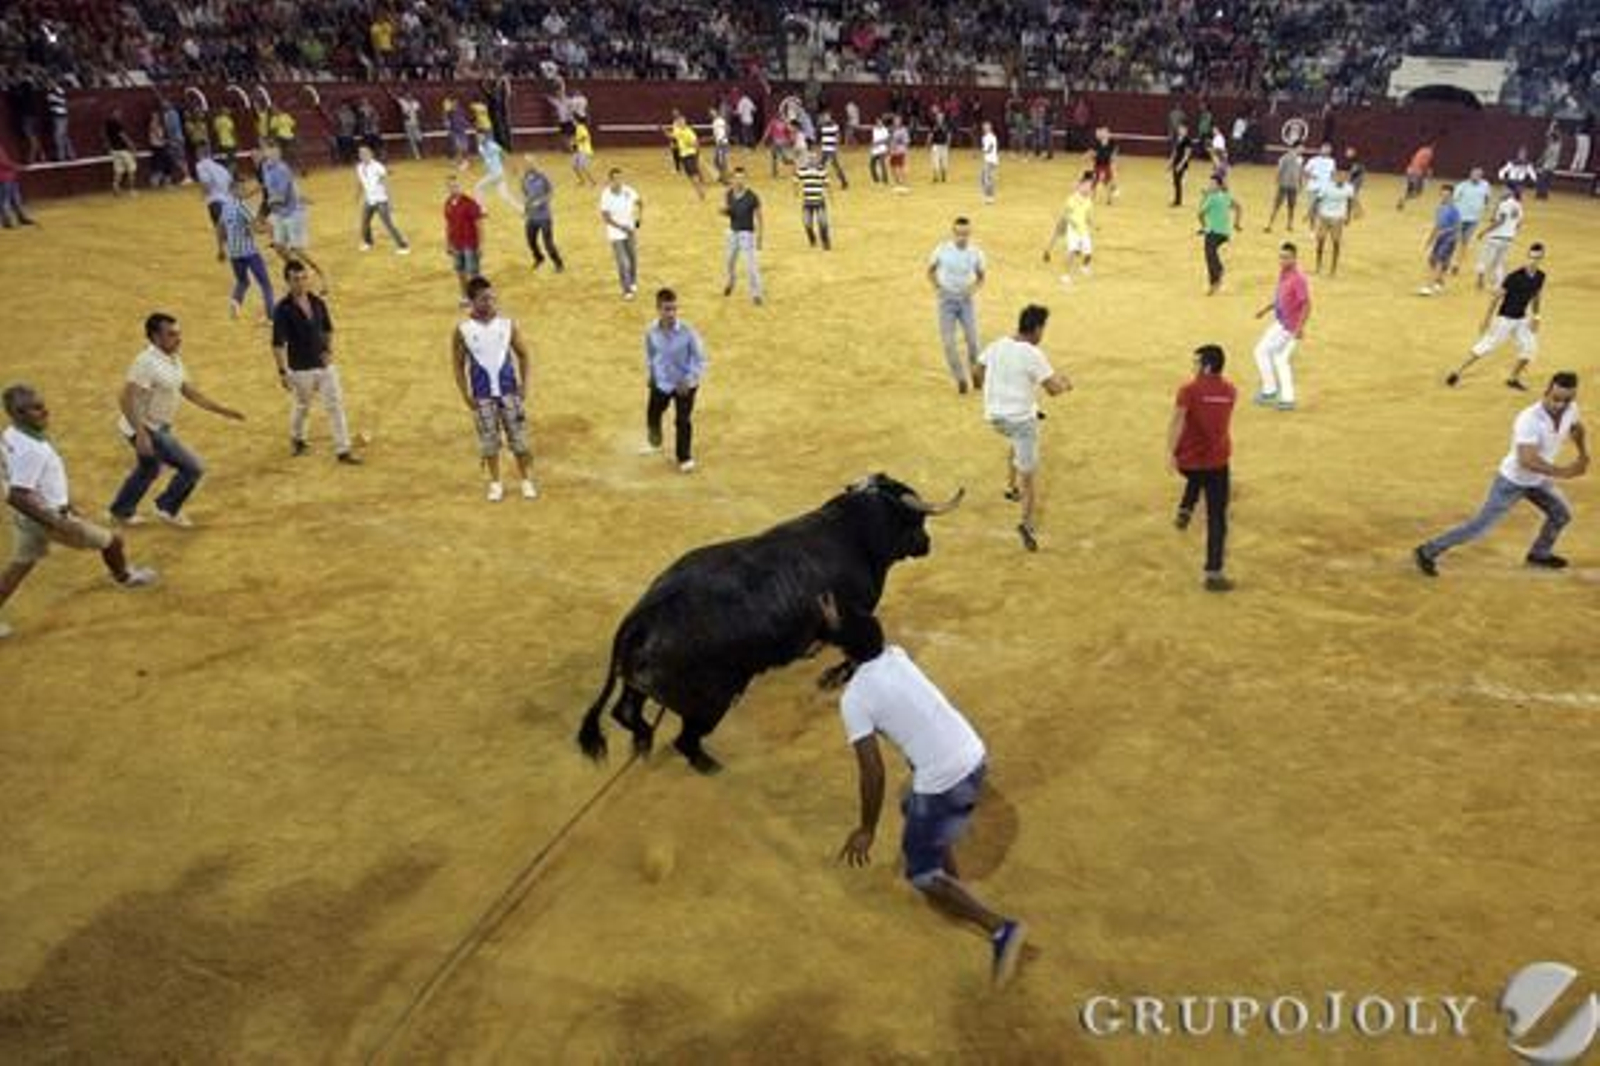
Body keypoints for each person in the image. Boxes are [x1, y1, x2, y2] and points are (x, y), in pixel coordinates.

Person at [816, 595, 1027, 990]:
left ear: (843, 651)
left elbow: (873, 772)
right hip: (974, 755)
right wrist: (839, 625)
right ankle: (951, 878)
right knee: (910, 805)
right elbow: (863, 637)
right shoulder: (896, 655)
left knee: (921, 873)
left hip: (946, 781)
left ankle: (1001, 929)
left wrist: (866, 829)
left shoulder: (855, 699)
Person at [0, 385, 158, 638]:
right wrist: (57, 520)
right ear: (19, 413)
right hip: (47, 518)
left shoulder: (12, 434)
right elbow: (17, 495)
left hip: (28, 519)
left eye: (42, 404)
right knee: (112, 541)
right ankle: (124, 576)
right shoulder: (32, 450)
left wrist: (65, 503)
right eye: (37, 408)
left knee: (19, 567)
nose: (45, 411)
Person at [1414, 372, 1587, 576]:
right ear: (1546, 392)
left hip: (1537, 480)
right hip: (1512, 482)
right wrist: (1564, 472)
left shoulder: (1571, 409)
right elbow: (1527, 459)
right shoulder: (1529, 419)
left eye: (1566, 400)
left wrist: (1583, 453)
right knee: (1478, 527)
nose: (1560, 405)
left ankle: (1539, 554)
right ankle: (1427, 550)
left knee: (1561, 514)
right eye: (1555, 398)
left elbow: (1576, 428)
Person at [108, 312, 246, 528]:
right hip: (147, 429)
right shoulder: (146, 363)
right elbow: (125, 398)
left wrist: (222, 410)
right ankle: (166, 508)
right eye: (172, 334)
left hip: (157, 427)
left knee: (149, 469)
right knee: (193, 468)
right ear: (155, 337)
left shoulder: (172, 358)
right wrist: (142, 435)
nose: (179, 338)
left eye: (178, 333)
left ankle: (121, 510)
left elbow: (188, 390)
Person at [975, 304, 1071, 551]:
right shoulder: (1033, 354)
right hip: (1019, 421)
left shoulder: (997, 345)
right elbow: (1053, 390)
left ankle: (1010, 488)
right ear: (1037, 328)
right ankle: (1026, 524)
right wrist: (1066, 384)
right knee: (1029, 476)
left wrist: (995, 391)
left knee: (1017, 435)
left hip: (995, 417)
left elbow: (977, 371)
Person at [452, 276, 537, 502]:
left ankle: (526, 480)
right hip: (482, 397)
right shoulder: (463, 331)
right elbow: (458, 365)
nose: (490, 302)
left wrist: (524, 386)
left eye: (492, 297)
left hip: (509, 393)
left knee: (519, 440)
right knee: (489, 443)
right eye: (484, 299)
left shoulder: (507, 324)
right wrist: (464, 394)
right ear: (472, 301)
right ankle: (496, 483)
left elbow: (524, 355)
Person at [271, 261, 360, 464]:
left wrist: (328, 349)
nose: (301, 283)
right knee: (302, 406)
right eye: (296, 279)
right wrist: (282, 372)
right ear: (287, 282)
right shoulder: (282, 310)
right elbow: (277, 343)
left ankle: (343, 450)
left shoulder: (318, 302)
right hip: (300, 369)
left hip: (324, 366)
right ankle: (298, 438)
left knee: (335, 405)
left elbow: (328, 329)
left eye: (304, 278)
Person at [1167, 345, 1237, 591]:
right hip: (1217, 461)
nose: (1193, 367)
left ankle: (1185, 509)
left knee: (1197, 475)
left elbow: (1177, 421)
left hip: (1190, 463)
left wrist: (1170, 453)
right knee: (1217, 517)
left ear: (1207, 366)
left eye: (1196, 363)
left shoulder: (1188, 390)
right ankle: (1214, 573)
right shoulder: (1230, 391)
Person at [1445, 243, 1546, 391]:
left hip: (1521, 320)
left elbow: (1536, 296)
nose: (1533, 261)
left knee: (1530, 348)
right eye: (1531, 257)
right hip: (1504, 319)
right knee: (1487, 345)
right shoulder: (1514, 277)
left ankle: (1513, 378)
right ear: (1527, 257)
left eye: (1537, 258)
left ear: (1541, 258)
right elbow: (1496, 298)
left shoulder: (1540, 276)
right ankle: (1457, 371)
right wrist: (1486, 319)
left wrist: (1536, 317)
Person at [641, 288, 707, 473]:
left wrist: (688, 379)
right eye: (666, 309)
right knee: (653, 414)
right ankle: (655, 443)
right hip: (661, 382)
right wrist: (652, 374)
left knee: (682, 420)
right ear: (658, 309)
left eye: (673, 309)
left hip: (685, 386)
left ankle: (684, 457)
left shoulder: (688, 331)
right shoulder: (650, 331)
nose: (671, 313)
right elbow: (650, 354)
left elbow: (700, 358)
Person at [927, 217, 987, 393]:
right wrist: (938, 288)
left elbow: (981, 277)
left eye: (966, 234)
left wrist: (973, 290)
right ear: (953, 233)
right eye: (959, 234)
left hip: (966, 301)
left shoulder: (976, 253)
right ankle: (960, 378)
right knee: (948, 343)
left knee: (973, 342)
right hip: (946, 301)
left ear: (969, 234)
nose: (962, 238)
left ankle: (976, 375)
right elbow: (930, 272)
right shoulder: (942, 250)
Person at [1251, 242, 1312, 411]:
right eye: (1281, 257)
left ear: (1294, 258)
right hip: (1281, 322)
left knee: (1278, 359)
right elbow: (1280, 298)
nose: (1282, 260)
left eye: (1286, 257)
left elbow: (1307, 305)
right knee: (1264, 352)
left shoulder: (1299, 278)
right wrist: (1265, 309)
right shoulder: (1284, 273)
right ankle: (1272, 391)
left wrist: (1299, 328)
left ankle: (1284, 397)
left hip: (1289, 326)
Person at [216, 177, 275, 322]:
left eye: (244, 188)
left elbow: (220, 229)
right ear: (233, 190)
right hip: (249, 252)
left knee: (242, 281)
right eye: (241, 189)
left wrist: (221, 249)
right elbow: (256, 227)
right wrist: (270, 228)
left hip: (234, 253)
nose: (243, 191)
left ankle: (235, 302)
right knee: (266, 284)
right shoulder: (242, 206)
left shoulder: (225, 207)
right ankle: (271, 317)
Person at [356, 146, 411, 254]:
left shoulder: (378, 166)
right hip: (369, 200)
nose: (363, 155)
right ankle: (368, 242)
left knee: (388, 224)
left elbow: (386, 184)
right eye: (361, 154)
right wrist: (357, 194)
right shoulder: (359, 167)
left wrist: (390, 201)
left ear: (371, 154)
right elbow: (361, 182)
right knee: (365, 223)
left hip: (381, 200)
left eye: (365, 153)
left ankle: (403, 246)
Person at [722, 166, 763, 303]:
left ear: (745, 179)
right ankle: (730, 282)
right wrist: (725, 212)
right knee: (729, 262)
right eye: (737, 178)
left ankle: (756, 294)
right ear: (733, 179)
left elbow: (759, 218)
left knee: (751, 266)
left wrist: (759, 237)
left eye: (742, 178)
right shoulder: (728, 194)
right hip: (732, 233)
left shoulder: (752, 196)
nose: (739, 181)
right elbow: (731, 213)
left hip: (747, 234)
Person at [600, 167, 643, 300]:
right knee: (623, 262)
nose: (619, 181)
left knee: (633, 258)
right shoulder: (606, 195)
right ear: (610, 180)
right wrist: (622, 227)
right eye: (615, 179)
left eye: (620, 178)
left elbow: (640, 203)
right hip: (615, 233)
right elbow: (606, 217)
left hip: (630, 230)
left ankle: (633, 281)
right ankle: (626, 289)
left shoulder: (628, 191)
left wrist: (638, 218)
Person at [1042, 175, 1094, 282]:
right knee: (1058, 236)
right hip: (1069, 223)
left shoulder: (1088, 200)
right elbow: (1065, 213)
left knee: (1087, 252)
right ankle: (1048, 251)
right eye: (1087, 186)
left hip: (1082, 228)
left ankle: (1083, 266)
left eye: (1090, 186)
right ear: (1081, 185)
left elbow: (1088, 216)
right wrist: (1069, 222)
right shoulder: (1073, 198)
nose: (1089, 189)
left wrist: (1093, 225)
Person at [1312, 165, 1361, 277]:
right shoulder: (1326, 186)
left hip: (1338, 218)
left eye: (1344, 176)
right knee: (1321, 241)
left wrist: (1351, 214)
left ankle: (1333, 269)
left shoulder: (1349, 188)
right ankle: (1318, 267)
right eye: (1339, 175)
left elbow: (1351, 201)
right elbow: (1317, 200)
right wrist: (1311, 214)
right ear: (1334, 176)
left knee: (1336, 243)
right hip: (1324, 217)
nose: (1341, 178)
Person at [1197, 174, 1242, 295]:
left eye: (1213, 184)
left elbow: (1200, 214)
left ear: (1218, 185)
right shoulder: (1226, 196)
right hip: (1225, 233)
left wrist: (1203, 226)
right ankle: (1219, 272)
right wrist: (1236, 224)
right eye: (1210, 183)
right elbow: (1238, 207)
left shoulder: (1212, 198)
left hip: (1213, 232)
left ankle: (1214, 282)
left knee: (1209, 255)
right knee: (1212, 253)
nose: (1210, 185)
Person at [443, 175, 485, 300]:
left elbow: (479, 226)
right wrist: (448, 243)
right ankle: (465, 296)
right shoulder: (447, 203)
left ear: (460, 187)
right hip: (456, 244)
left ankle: (478, 297)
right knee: (460, 271)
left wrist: (481, 245)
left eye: (455, 186)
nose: (453, 189)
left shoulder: (470, 203)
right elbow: (448, 225)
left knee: (473, 273)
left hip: (470, 244)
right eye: (450, 187)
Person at [520, 155, 564, 273]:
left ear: (535, 163)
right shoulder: (524, 178)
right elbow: (526, 196)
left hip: (544, 216)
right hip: (532, 216)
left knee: (548, 243)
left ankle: (558, 263)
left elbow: (551, 192)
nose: (528, 165)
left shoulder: (543, 176)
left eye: (531, 162)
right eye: (526, 163)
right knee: (531, 241)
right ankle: (539, 258)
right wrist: (525, 210)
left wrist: (541, 201)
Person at [1474, 186, 1523, 290]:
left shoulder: (1504, 204)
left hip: (1496, 237)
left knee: (1484, 259)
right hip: (1508, 238)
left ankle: (1480, 281)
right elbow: (1518, 224)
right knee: (1499, 263)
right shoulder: (1518, 205)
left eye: (1504, 189)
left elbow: (1500, 221)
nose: (1501, 191)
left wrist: (1484, 231)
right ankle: (1499, 285)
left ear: (1511, 191)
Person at [1417, 183, 1461, 296]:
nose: (1444, 196)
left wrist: (1443, 232)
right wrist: (1429, 240)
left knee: (1438, 261)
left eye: (1447, 194)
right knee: (1433, 261)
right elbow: (1437, 225)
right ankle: (1439, 283)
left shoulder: (1453, 209)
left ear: (1451, 195)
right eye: (1443, 194)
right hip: (1440, 238)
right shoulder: (1440, 207)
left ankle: (1429, 286)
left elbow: (1456, 227)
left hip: (1449, 239)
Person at [1451, 167, 1493, 274]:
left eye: (1478, 175)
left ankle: (1456, 264)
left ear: (1481, 176)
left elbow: (1487, 198)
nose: (1476, 176)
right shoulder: (1462, 186)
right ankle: (1450, 260)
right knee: (1456, 240)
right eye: (1474, 174)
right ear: (1470, 175)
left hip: (1474, 219)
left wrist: (1487, 208)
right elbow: (1454, 200)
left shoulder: (1485, 185)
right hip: (1460, 217)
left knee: (1465, 242)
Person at [794, 149, 832, 251]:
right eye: (810, 159)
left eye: (814, 159)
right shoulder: (804, 170)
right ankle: (813, 239)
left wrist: (829, 195)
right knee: (807, 224)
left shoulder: (821, 170)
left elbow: (827, 184)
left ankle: (825, 242)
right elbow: (796, 179)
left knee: (823, 223)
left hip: (819, 201)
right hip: (808, 201)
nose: (812, 160)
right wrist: (796, 190)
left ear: (817, 160)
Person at [663, 114, 706, 201]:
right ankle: (700, 189)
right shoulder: (679, 131)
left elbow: (696, 144)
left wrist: (695, 151)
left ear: (685, 122)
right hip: (683, 156)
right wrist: (665, 131)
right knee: (690, 176)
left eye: (682, 121)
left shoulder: (689, 132)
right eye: (679, 122)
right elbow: (671, 136)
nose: (680, 123)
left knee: (693, 175)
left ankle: (700, 192)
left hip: (690, 155)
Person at [1264, 142, 1302, 232]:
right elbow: (1279, 170)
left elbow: (1299, 172)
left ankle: (1289, 224)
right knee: (1277, 205)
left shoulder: (1300, 159)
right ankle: (1269, 224)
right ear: (1295, 148)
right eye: (1301, 148)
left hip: (1293, 185)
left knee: (1291, 206)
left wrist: (1300, 182)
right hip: (1284, 184)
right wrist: (1277, 181)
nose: (1302, 150)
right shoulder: (1285, 158)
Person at [474, 134, 518, 208]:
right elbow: (485, 158)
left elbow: (504, 155)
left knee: (478, 187)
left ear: (485, 137)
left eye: (481, 137)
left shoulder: (493, 145)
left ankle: (482, 209)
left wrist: (513, 167)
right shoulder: (480, 147)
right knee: (505, 196)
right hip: (495, 174)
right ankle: (522, 209)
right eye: (478, 137)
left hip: (496, 173)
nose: (479, 139)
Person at [0, 141, 36, 227]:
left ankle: (20, 218)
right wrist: (17, 166)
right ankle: (8, 221)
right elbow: (3, 163)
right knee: (6, 201)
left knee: (15, 200)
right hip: (3, 178)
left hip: (9, 177)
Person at [194, 146, 231, 228]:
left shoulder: (200, 165)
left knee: (220, 230)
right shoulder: (221, 167)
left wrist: (203, 194)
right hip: (227, 201)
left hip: (215, 201)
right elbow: (230, 183)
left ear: (199, 155)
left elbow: (206, 182)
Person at [1300, 142, 1335, 226]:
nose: (1326, 151)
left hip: (1325, 189)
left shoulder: (1332, 161)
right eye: (1324, 149)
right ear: (1321, 149)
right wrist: (1312, 176)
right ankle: (1312, 228)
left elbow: (1332, 174)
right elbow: (1304, 172)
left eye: (1328, 149)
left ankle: (1319, 226)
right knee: (1314, 209)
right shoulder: (1313, 160)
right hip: (1313, 188)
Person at [105, 108, 137, 197]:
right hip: (123, 150)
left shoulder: (107, 124)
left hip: (114, 150)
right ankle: (132, 190)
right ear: (114, 113)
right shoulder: (117, 124)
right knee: (131, 169)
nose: (120, 115)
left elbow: (107, 137)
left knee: (118, 171)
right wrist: (132, 146)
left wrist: (109, 147)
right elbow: (123, 136)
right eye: (118, 113)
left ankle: (116, 188)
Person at [1396, 140, 1435, 210]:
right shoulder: (1429, 152)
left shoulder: (1420, 150)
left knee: (1409, 190)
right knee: (1418, 193)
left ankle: (1402, 201)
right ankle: (1403, 199)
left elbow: (1413, 159)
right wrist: (1428, 172)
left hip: (1409, 171)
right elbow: (1424, 163)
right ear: (1433, 145)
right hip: (1417, 174)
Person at [817, 107, 848, 190]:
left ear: (830, 116)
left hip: (831, 149)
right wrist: (821, 147)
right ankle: (823, 181)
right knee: (821, 166)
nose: (825, 118)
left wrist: (836, 146)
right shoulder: (822, 126)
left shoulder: (834, 125)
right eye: (824, 116)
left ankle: (844, 181)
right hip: (825, 149)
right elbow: (822, 138)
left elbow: (838, 136)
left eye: (826, 116)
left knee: (835, 166)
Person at [1087, 126, 1118, 204]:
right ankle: (1091, 198)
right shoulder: (1097, 143)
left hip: (1107, 165)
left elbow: (1114, 153)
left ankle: (1109, 199)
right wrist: (1090, 155)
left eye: (1106, 133)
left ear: (1108, 134)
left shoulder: (1112, 143)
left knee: (1107, 182)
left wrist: (1113, 160)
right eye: (1103, 133)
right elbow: (1092, 152)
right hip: (1098, 165)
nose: (1104, 134)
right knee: (1094, 181)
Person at [1168, 122, 1194, 207]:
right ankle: (1177, 199)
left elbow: (1187, 154)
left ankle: (1178, 201)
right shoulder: (1178, 138)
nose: (1180, 130)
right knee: (1175, 181)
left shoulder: (1188, 140)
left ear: (1186, 130)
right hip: (1176, 162)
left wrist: (1181, 164)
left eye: (1182, 129)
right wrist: (1171, 162)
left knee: (1178, 181)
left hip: (1181, 163)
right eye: (1179, 129)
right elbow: (1175, 151)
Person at [928, 107, 952, 184]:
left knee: (944, 162)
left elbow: (949, 134)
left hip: (944, 145)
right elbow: (930, 134)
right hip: (935, 145)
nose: (940, 118)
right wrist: (928, 142)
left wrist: (948, 143)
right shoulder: (933, 124)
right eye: (938, 117)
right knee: (935, 161)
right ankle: (935, 176)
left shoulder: (946, 125)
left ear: (943, 118)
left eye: (941, 117)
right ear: (936, 118)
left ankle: (943, 176)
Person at [888, 114, 911, 193]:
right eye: (895, 120)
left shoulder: (903, 130)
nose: (896, 122)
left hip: (900, 151)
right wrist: (890, 149)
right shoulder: (892, 129)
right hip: (893, 152)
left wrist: (900, 145)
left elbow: (907, 141)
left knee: (901, 167)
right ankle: (897, 181)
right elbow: (890, 140)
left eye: (898, 120)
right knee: (892, 167)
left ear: (900, 121)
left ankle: (904, 182)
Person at [570, 118, 597, 186]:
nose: (572, 122)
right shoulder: (577, 128)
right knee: (574, 166)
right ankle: (582, 181)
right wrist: (574, 145)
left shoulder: (581, 127)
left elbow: (584, 137)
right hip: (578, 151)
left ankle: (592, 181)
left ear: (576, 121)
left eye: (573, 120)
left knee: (583, 167)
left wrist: (575, 141)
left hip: (584, 150)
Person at [978, 120, 999, 204]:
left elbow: (990, 148)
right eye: (984, 126)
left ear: (990, 127)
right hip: (987, 160)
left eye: (987, 126)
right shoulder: (984, 137)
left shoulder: (992, 137)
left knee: (988, 179)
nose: (985, 128)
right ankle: (987, 196)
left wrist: (984, 151)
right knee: (983, 178)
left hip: (991, 161)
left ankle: (990, 197)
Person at [709, 106, 731, 184]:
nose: (712, 114)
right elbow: (716, 134)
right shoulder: (714, 122)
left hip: (723, 144)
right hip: (718, 144)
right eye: (711, 113)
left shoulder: (720, 120)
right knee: (716, 161)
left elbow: (727, 129)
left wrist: (723, 138)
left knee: (722, 162)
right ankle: (722, 176)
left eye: (713, 112)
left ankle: (725, 179)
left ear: (716, 112)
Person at [869, 115, 890, 185]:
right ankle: (876, 180)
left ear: (882, 122)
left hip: (882, 150)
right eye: (877, 121)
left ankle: (885, 180)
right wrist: (872, 147)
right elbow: (874, 139)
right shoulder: (874, 129)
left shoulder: (885, 129)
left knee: (882, 165)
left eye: (879, 121)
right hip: (875, 150)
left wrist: (878, 143)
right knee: (871, 165)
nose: (878, 123)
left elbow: (886, 140)